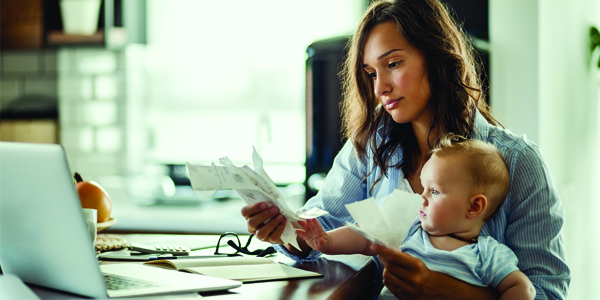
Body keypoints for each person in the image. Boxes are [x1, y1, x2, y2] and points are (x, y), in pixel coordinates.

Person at [241, 0, 570, 299]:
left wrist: (442, 289)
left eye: (393, 64)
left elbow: (547, 292)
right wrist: (287, 230)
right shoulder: (371, 145)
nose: (380, 87)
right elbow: (324, 224)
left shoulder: (517, 161)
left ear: (437, 55)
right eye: (371, 73)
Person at [296, 139, 536, 300]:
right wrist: (326, 241)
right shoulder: (410, 228)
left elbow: (523, 288)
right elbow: (364, 233)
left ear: (474, 206)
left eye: (434, 191)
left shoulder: (488, 254)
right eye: (423, 188)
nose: (421, 198)